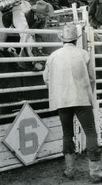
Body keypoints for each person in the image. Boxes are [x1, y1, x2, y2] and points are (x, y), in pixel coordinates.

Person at [43, 24, 102, 183]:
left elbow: (47, 79)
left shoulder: (53, 56)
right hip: (82, 99)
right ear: (76, 39)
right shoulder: (83, 54)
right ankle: (95, 173)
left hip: (62, 100)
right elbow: (91, 78)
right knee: (90, 133)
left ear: (61, 38)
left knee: (67, 133)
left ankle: (69, 170)